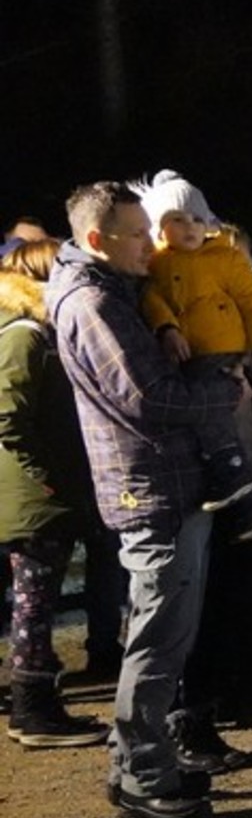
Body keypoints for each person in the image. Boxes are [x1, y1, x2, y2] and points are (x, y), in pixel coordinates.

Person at [50, 181, 248, 818]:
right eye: (138, 232)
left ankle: (139, 759)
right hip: (151, 486)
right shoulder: (94, 304)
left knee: (160, 628)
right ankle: (142, 772)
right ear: (96, 240)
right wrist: (225, 397)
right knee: (160, 635)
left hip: (162, 481)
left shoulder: (116, 293)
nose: (153, 242)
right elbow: (147, 399)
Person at [0, 244, 111, 747]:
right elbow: (7, 415)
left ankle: (42, 704)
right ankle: (31, 709)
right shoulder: (23, 336)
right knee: (34, 604)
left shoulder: (38, 334)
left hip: (45, 494)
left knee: (35, 603)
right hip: (35, 499)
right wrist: (43, 476)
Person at [133, 170, 252, 542]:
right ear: (158, 226)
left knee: (212, 416)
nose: (190, 227)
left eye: (197, 218)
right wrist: (167, 327)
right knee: (204, 420)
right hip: (186, 354)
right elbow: (152, 299)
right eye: (177, 220)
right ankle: (240, 494)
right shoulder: (155, 263)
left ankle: (240, 484)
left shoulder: (225, 257)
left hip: (221, 348)